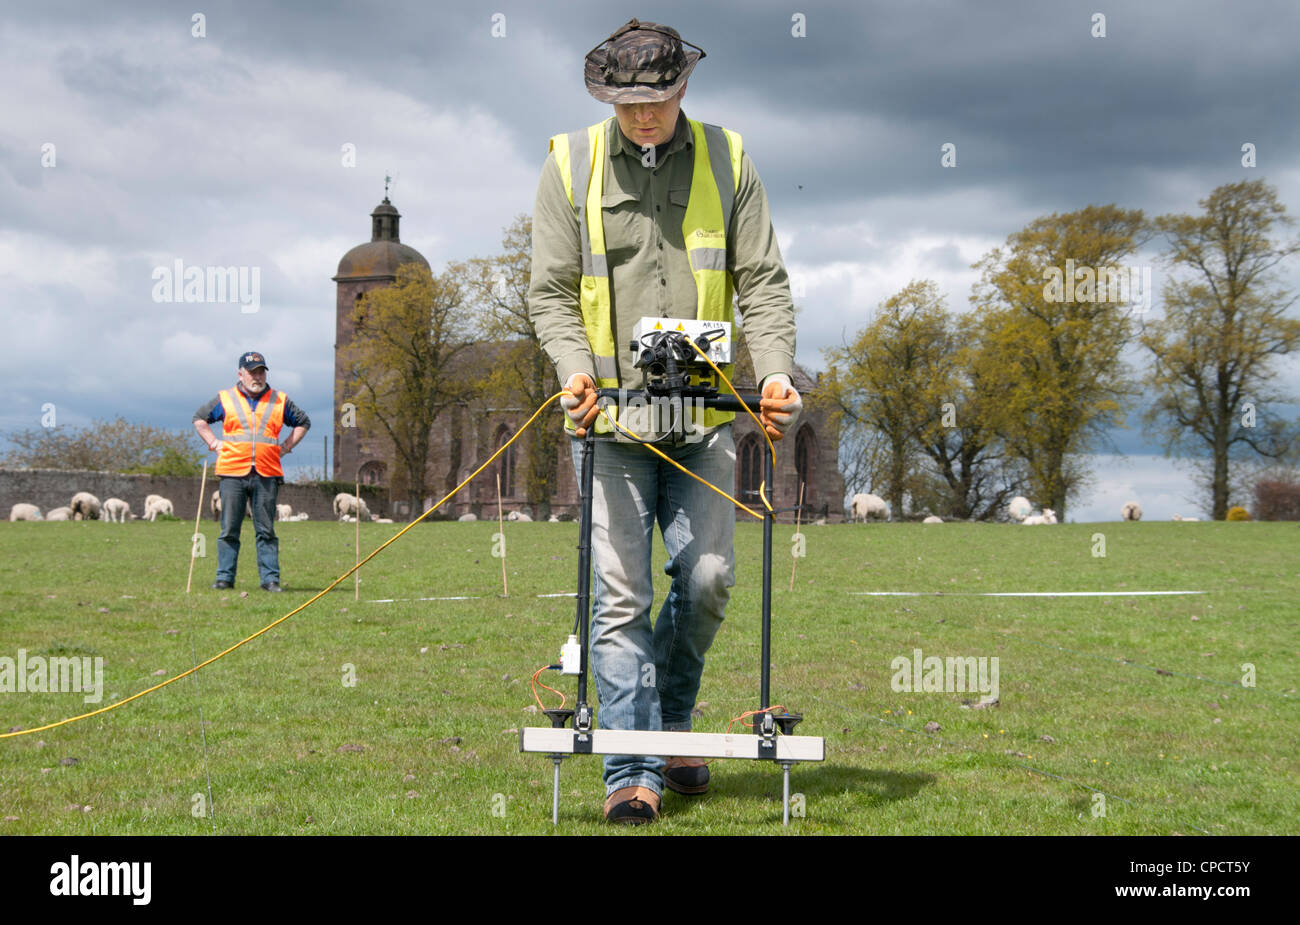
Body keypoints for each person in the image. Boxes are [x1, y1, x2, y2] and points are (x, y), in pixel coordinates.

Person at [527, 19, 802, 824]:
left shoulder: (731, 158)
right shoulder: (566, 165)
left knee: (709, 579)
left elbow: (763, 279)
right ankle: (632, 769)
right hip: (609, 423)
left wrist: (776, 368)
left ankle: (674, 721)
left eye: (657, 100)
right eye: (626, 103)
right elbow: (549, 292)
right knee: (619, 599)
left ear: (685, 87)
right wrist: (573, 370)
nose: (643, 117)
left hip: (704, 419)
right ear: (606, 96)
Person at [193, 351, 310, 592]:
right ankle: (224, 578)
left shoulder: (280, 400)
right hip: (232, 472)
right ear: (240, 374)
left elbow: (303, 422)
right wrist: (214, 444)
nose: (257, 376)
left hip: (267, 473)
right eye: (252, 372)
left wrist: (286, 447)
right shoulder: (225, 398)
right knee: (228, 529)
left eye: (261, 371)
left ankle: (270, 580)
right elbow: (199, 419)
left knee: (266, 530)